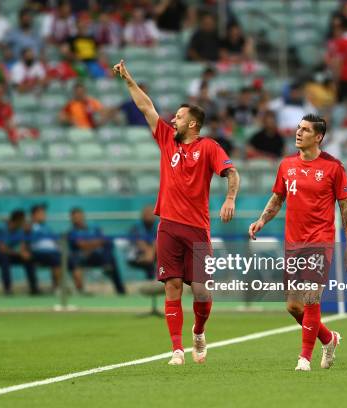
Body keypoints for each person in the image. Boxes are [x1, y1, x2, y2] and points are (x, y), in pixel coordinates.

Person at [113, 60, 239, 365]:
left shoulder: (209, 147)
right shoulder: (167, 139)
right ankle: (176, 349)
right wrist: (129, 80)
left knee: (201, 293)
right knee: (171, 286)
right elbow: (147, 108)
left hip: (197, 229)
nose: (173, 119)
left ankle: (198, 331)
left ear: (192, 124)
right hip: (168, 226)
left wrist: (230, 199)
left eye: (179, 117)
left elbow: (232, 172)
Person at [248, 114, 347, 372]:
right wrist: (261, 221)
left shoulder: (334, 167)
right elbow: (277, 199)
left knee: (311, 298)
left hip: (320, 241)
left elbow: (346, 210)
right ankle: (329, 339)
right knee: (293, 306)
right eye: (298, 128)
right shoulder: (286, 165)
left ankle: (304, 358)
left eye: (305, 130)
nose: (298, 133)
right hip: (293, 242)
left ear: (318, 137)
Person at [67, 207, 125, 295]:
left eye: (79, 216)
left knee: (110, 251)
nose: (77, 219)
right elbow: (82, 245)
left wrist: (90, 245)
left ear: (83, 216)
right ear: (71, 219)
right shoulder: (71, 232)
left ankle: (120, 291)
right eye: (75, 217)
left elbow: (104, 240)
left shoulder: (94, 228)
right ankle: (81, 291)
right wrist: (96, 243)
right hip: (81, 258)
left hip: (96, 255)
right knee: (73, 261)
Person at [0, 209, 39, 296]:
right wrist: (19, 253)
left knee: (29, 258)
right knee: (4, 258)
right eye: (22, 221)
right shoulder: (0, 229)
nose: (24, 223)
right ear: (17, 221)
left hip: (10, 255)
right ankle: (7, 289)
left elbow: (23, 247)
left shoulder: (20, 231)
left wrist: (24, 252)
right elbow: (2, 249)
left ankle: (34, 288)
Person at [28, 204, 62, 291]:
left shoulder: (47, 227)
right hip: (39, 253)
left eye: (44, 213)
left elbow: (57, 240)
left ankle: (77, 288)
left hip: (53, 252)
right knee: (56, 259)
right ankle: (57, 287)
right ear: (33, 215)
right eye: (41, 213)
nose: (44, 215)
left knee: (69, 259)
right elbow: (27, 242)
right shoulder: (29, 227)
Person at [127, 205, 158, 280]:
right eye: (146, 214)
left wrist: (151, 253)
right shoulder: (136, 226)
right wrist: (148, 253)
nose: (149, 216)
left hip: (154, 253)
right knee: (148, 263)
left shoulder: (158, 225)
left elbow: (158, 240)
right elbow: (139, 241)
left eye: (151, 214)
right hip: (137, 254)